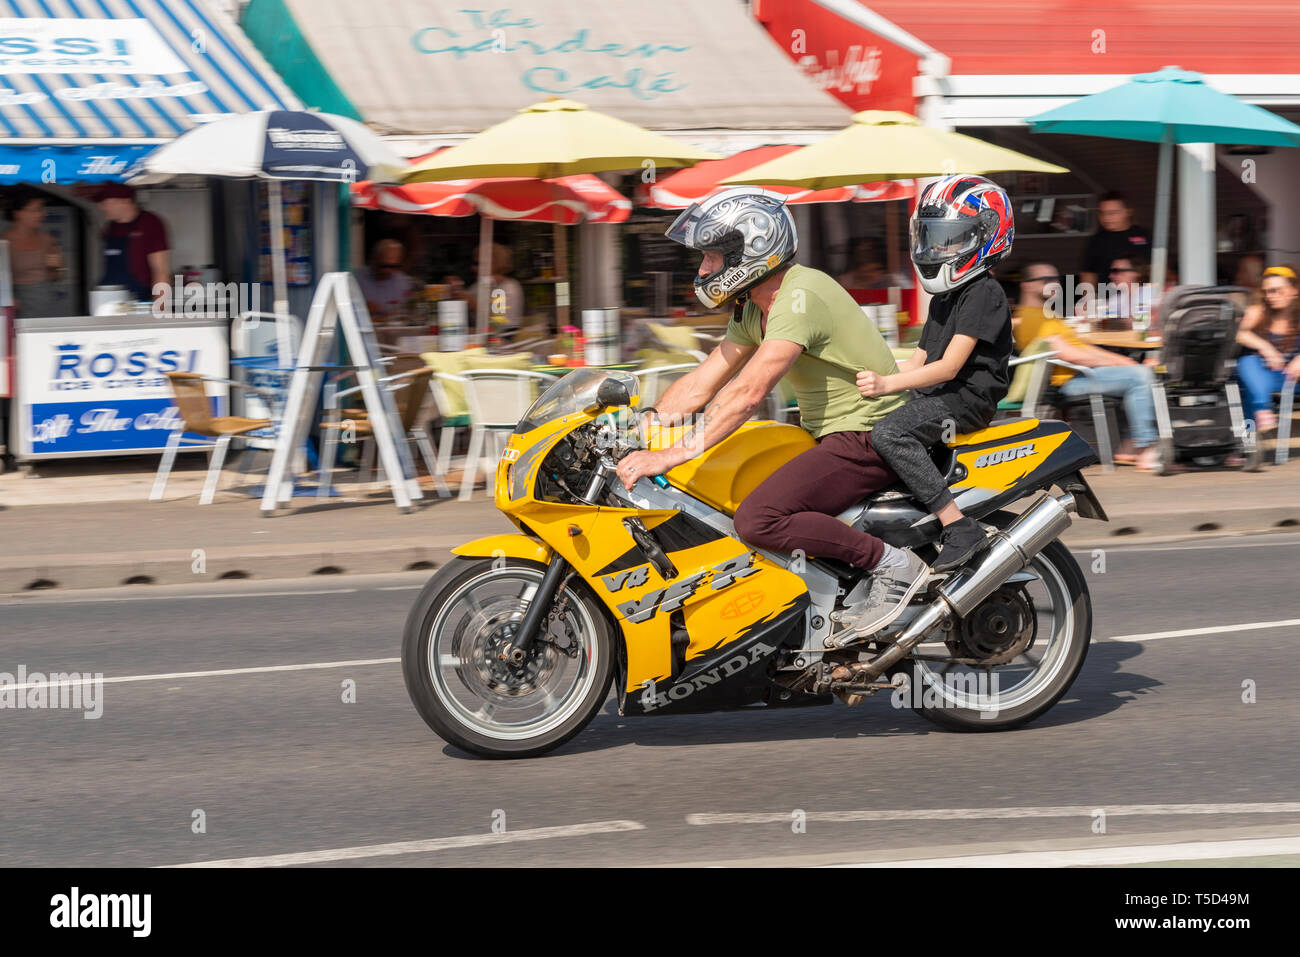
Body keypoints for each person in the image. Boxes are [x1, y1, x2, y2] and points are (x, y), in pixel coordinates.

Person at [613, 187, 921, 636]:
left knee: (758, 518)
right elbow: (704, 381)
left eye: (712, 257)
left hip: (869, 433)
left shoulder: (800, 297)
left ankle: (893, 566)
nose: (703, 269)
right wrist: (637, 426)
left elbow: (749, 392)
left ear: (751, 250)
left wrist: (670, 454)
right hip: (829, 434)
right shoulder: (754, 308)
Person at [857, 174, 1015, 579]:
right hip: (940, 394)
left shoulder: (983, 292)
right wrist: (865, 377)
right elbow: (919, 362)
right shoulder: (944, 297)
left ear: (986, 237)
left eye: (950, 239)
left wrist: (888, 385)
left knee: (891, 433)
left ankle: (957, 525)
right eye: (933, 238)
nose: (938, 249)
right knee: (865, 422)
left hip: (965, 399)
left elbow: (949, 367)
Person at [1015, 262, 1161, 470]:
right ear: (1027, 286)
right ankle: (1143, 447)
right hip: (1066, 383)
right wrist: (1119, 362)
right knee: (1140, 376)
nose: (1054, 284)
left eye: (1056, 279)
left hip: (1078, 375)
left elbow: (1081, 348)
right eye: (1045, 280)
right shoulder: (1032, 318)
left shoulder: (1046, 314)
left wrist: (1120, 361)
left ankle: (1131, 444)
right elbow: (1069, 354)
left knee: (1137, 370)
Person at [1235, 265, 1300, 434]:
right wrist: (1266, 347)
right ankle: (1262, 410)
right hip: (1264, 376)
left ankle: (1247, 443)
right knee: (1247, 363)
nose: (1271, 296)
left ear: (1294, 290)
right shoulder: (1260, 311)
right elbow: (1238, 333)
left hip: (1294, 379)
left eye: (1277, 290)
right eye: (1268, 291)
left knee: (1249, 387)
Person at [94, 184, 169, 304]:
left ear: (125, 201)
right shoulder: (110, 227)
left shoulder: (150, 223)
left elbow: (160, 271)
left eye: (106, 203)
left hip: (138, 302)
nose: (102, 207)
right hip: (108, 301)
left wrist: (161, 308)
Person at [2, 187, 64, 318]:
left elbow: (56, 277)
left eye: (42, 210)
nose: (42, 214)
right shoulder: (4, 242)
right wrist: (9, 299)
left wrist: (54, 268)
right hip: (17, 305)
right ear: (18, 213)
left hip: (46, 301)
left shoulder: (47, 239)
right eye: (36, 210)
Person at [1081, 191, 1151, 289]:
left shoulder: (1145, 235)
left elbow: (1156, 267)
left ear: (1128, 212)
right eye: (1102, 213)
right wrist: (1088, 299)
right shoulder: (1096, 241)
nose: (1106, 217)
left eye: (1112, 213)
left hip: (1141, 296)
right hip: (1108, 297)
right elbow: (1089, 273)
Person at [355, 238, 415, 321]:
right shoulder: (357, 278)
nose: (388, 270)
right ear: (374, 260)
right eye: (384, 266)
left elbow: (410, 311)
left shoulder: (402, 281)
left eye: (393, 266)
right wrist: (360, 307)